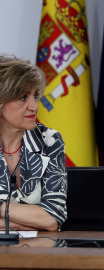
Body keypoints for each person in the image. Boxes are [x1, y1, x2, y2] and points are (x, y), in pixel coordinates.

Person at [0, 54, 67, 231]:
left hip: (37, 252)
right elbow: (42, 222)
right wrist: (29, 221)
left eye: (35, 96)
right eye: (23, 97)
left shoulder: (49, 141)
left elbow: (52, 218)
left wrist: (1, 209)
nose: (34, 106)